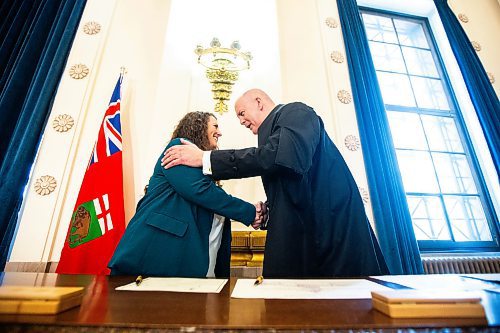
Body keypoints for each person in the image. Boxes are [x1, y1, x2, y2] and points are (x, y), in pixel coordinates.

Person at [162, 89, 390, 278]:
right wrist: (269, 211)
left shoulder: (296, 112)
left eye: (242, 113)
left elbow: (286, 157)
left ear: (259, 102)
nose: (240, 121)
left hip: (331, 236)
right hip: (308, 238)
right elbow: (295, 185)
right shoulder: (277, 132)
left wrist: (205, 158)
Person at [108, 111, 264, 278]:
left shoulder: (200, 166)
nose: (219, 132)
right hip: (154, 255)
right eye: (215, 126)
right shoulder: (178, 149)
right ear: (198, 127)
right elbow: (200, 190)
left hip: (181, 263)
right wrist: (250, 212)